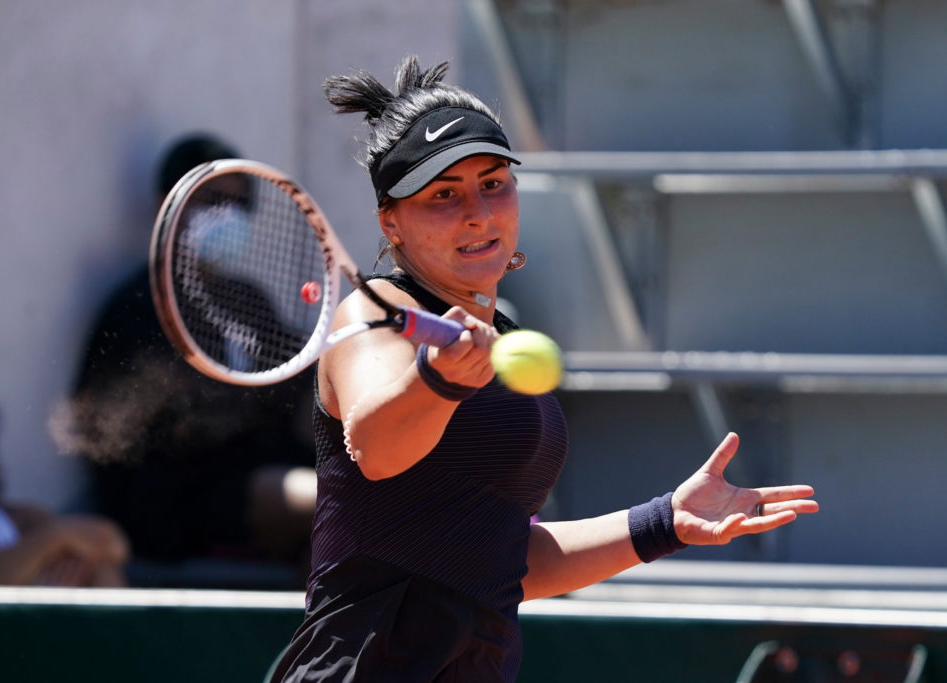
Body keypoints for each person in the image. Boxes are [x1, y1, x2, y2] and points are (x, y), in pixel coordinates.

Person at [266, 56, 819, 682]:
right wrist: (438, 381)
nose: (478, 211)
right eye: (443, 194)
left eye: (494, 183)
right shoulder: (373, 311)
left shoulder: (500, 338)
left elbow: (503, 562)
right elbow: (375, 444)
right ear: (391, 223)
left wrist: (664, 521)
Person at [68, 133, 317, 587]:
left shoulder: (248, 300)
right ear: (168, 203)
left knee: (361, 509)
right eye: (210, 200)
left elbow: (294, 383)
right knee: (330, 502)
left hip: (254, 483)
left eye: (237, 205)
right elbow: (127, 442)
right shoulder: (138, 307)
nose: (225, 215)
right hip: (173, 508)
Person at [0, 356, 129, 586]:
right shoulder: (43, 532)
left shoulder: (19, 520)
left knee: (96, 566)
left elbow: (111, 543)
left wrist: (71, 551)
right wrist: (51, 540)